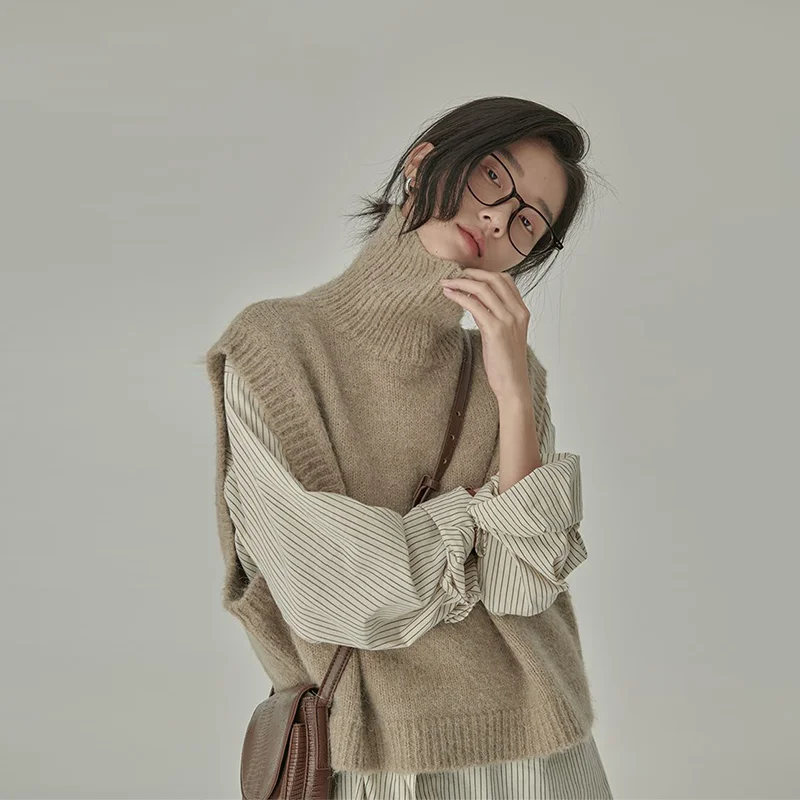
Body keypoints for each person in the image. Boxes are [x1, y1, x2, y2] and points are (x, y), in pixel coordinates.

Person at [205, 95, 613, 799]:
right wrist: (475, 522)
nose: (499, 219)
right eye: (493, 177)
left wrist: (514, 395)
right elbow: (336, 591)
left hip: (544, 757)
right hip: (379, 763)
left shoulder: (509, 371)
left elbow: (521, 588)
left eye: (529, 223)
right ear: (423, 164)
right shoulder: (274, 347)